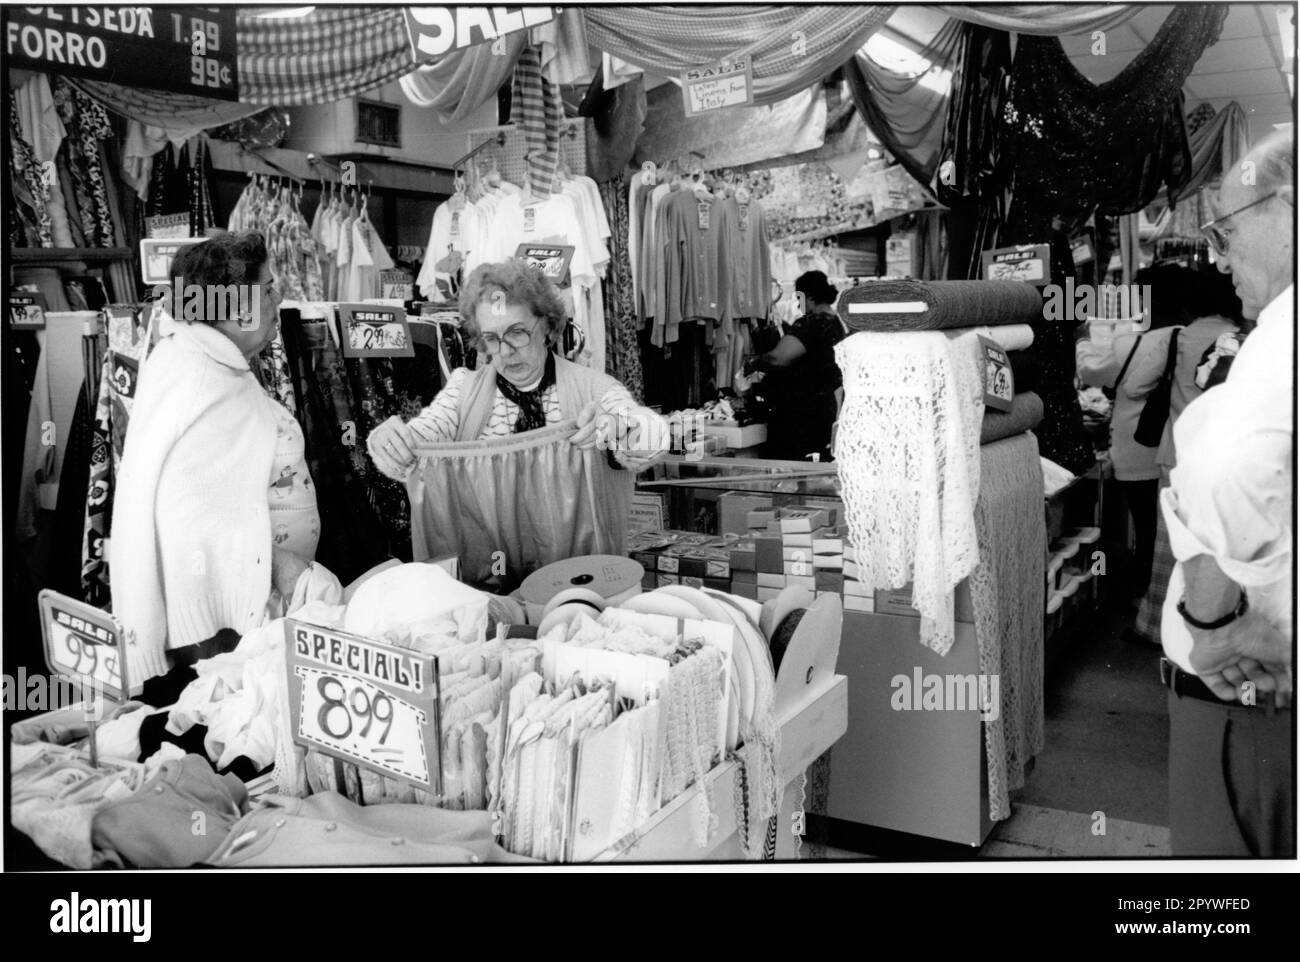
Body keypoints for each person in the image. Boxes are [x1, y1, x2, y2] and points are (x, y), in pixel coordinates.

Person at [1158, 130, 1293, 856]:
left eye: (1227, 230)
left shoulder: (1282, 340)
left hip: (1253, 699)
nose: (1217, 253)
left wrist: (1215, 628)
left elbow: (1226, 472)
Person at [366, 260, 668, 582]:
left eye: (517, 333)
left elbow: (654, 439)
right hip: (488, 588)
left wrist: (624, 427)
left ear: (548, 328)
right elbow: (419, 442)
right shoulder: (462, 390)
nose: (506, 352)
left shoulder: (595, 389)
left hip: (579, 592)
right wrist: (390, 443)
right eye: (492, 339)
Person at [111, 232, 319, 684]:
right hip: (213, 635)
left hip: (226, 620)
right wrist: (275, 559)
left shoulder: (207, 361)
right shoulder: (199, 377)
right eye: (267, 289)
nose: (278, 297)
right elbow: (188, 519)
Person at [1128, 267, 1243, 642]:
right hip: (1220, 456)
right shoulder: (1241, 337)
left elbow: (1140, 385)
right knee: (1210, 547)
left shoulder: (1180, 336)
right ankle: (1200, 627)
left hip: (1175, 453)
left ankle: (1152, 626)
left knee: (1168, 544)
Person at [743, 270, 847, 462]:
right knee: (810, 468)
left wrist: (753, 362)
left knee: (790, 467)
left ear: (809, 296)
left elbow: (779, 358)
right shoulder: (837, 324)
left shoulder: (813, 322)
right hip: (824, 408)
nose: (798, 304)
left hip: (800, 414)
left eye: (800, 297)